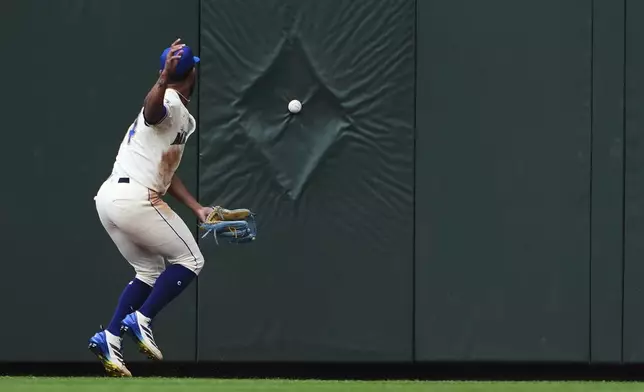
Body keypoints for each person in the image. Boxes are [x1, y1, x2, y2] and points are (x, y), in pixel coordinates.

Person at [88, 38, 212, 377]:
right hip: (136, 199)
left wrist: (196, 208)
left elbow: (166, 173)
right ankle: (142, 320)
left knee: (149, 272)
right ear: (191, 73)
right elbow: (151, 112)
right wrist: (161, 80)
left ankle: (110, 338)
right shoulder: (169, 100)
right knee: (191, 259)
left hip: (110, 199)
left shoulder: (180, 112)